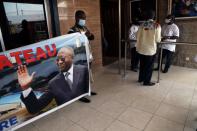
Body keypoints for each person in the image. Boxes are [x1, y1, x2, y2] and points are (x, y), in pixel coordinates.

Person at [18, 47, 89, 114]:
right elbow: (35, 108)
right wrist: (26, 88)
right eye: (57, 59)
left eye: (62, 59)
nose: (59, 62)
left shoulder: (84, 70)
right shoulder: (53, 83)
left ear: (72, 58)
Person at [68, 10, 97, 103]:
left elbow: (92, 38)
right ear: (77, 18)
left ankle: (87, 90)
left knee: (87, 73)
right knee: (79, 76)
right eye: (82, 18)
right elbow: (71, 44)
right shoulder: (72, 31)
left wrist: (90, 35)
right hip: (79, 58)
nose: (84, 19)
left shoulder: (85, 28)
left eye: (85, 18)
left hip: (88, 55)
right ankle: (80, 95)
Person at [136, 10, 161, 86]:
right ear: (154, 16)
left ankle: (141, 79)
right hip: (150, 50)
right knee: (149, 66)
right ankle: (146, 82)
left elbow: (137, 36)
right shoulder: (157, 25)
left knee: (142, 65)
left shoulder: (142, 25)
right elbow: (157, 39)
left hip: (141, 48)